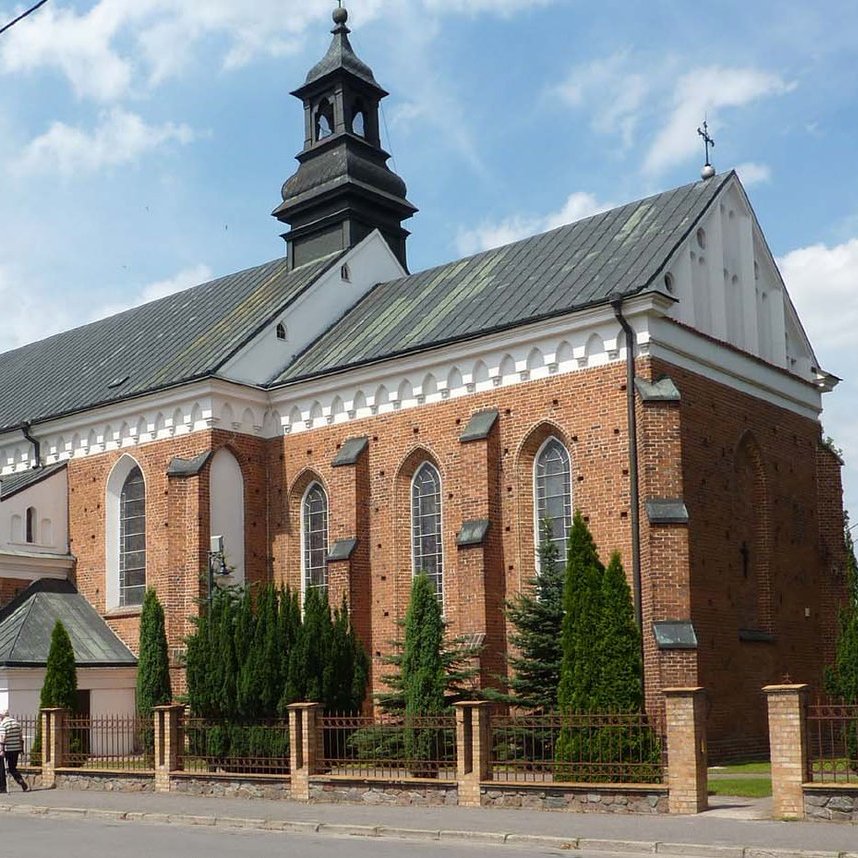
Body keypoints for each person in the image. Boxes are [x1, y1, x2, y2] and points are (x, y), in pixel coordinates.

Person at [0, 710, 29, 793]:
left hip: (7, 749)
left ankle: (2, 787)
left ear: (2, 716)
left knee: (1, 768)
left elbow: (2, 738)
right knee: (13, 767)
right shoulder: (17, 724)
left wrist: (1, 750)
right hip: (16, 749)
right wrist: (22, 749)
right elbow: (21, 738)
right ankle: (20, 780)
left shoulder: (3, 724)